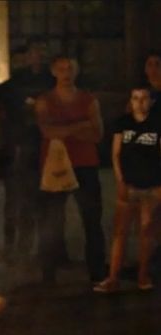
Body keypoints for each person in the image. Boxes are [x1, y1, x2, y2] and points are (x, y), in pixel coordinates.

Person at [36, 56, 106, 284]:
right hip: (55, 165)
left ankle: (97, 272)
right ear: (54, 72)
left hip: (85, 163)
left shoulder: (88, 100)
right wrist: (81, 125)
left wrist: (63, 130)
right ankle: (49, 274)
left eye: (70, 69)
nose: (66, 73)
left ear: (76, 72)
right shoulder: (46, 100)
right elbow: (47, 131)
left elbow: (97, 135)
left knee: (92, 219)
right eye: (62, 69)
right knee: (52, 221)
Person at [93, 86, 161, 293]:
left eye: (144, 98)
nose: (140, 102)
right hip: (129, 184)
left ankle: (143, 275)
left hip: (151, 185)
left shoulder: (157, 124)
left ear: (151, 101)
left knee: (146, 233)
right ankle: (113, 277)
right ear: (130, 101)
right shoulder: (122, 123)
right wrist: (120, 180)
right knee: (120, 232)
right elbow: (116, 154)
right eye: (135, 98)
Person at [0, 41, 54, 261]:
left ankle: (37, 248)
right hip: (18, 148)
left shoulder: (47, 82)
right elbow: (2, 117)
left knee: (40, 202)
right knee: (17, 201)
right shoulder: (12, 87)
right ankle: (16, 247)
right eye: (33, 53)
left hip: (41, 148)